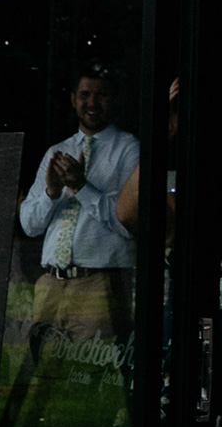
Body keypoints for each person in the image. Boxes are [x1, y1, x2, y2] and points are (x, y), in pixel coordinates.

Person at [18, 67, 139, 345]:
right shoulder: (58, 151)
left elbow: (130, 220)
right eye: (85, 95)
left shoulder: (129, 150)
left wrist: (82, 187)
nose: (92, 103)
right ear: (73, 99)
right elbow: (29, 225)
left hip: (98, 282)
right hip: (50, 282)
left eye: (101, 95)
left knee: (90, 376)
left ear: (115, 99)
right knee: (45, 375)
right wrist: (51, 191)